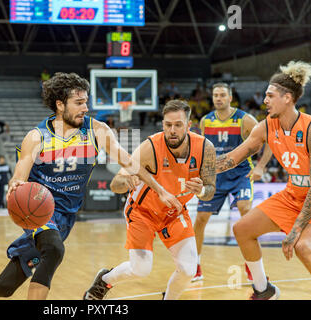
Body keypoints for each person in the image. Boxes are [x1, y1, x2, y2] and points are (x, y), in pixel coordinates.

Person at [0, 72, 181, 300]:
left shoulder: (98, 131)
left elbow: (130, 162)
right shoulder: (37, 137)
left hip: (65, 218)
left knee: (5, 285)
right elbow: (21, 172)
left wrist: (160, 190)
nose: (86, 107)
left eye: (86, 101)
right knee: (54, 249)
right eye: (79, 102)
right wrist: (16, 183)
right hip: (39, 211)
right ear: (60, 105)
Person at [83, 100, 217, 300]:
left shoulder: (205, 148)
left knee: (189, 270)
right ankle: (105, 279)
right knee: (141, 269)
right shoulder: (150, 148)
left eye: (178, 125)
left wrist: (201, 191)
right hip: (142, 212)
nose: (172, 130)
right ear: (162, 124)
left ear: (189, 126)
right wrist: (125, 180)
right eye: (167, 125)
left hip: (174, 213)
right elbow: (115, 184)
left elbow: (210, 190)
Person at [215, 61, 311, 300]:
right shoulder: (267, 126)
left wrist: (296, 229)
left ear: (287, 98)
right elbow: (233, 157)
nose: (264, 100)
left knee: (302, 247)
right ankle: (263, 290)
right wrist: (196, 170)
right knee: (242, 229)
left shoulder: (309, 128)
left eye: (270, 96)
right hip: (292, 195)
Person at [192, 83, 272, 282]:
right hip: (215, 177)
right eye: (215, 95)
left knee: (246, 214)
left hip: (240, 175)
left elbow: (269, 139)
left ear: (230, 98)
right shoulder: (205, 121)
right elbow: (203, 150)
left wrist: (261, 166)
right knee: (200, 219)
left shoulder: (245, 119)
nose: (218, 98)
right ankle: (195, 267)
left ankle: (252, 267)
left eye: (222, 95)